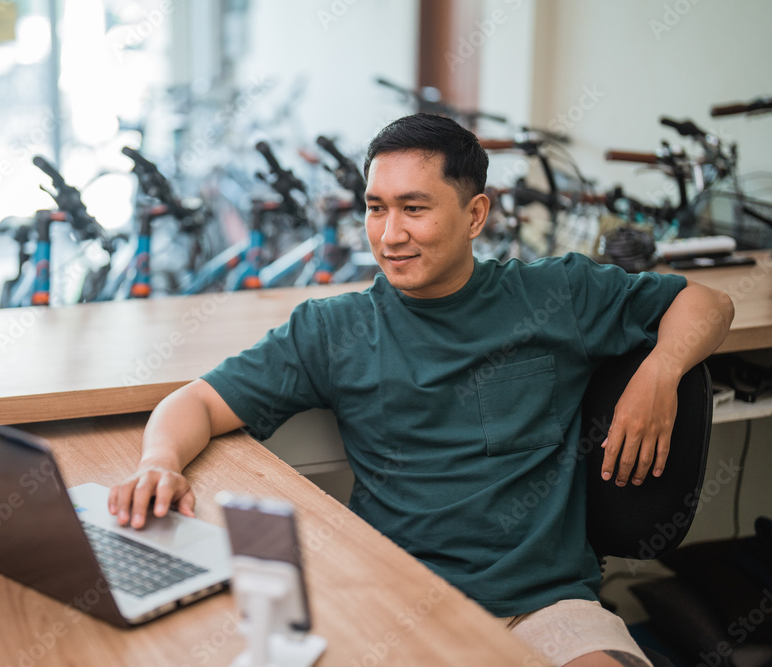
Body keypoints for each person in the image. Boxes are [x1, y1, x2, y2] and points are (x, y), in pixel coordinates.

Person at [108, 113, 735, 666]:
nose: (389, 234)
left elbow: (706, 303)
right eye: (375, 208)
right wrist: (159, 461)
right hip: (398, 602)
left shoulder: (556, 295)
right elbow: (197, 401)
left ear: (475, 215)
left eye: (414, 208)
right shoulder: (334, 329)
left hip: (547, 606)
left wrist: (659, 372)